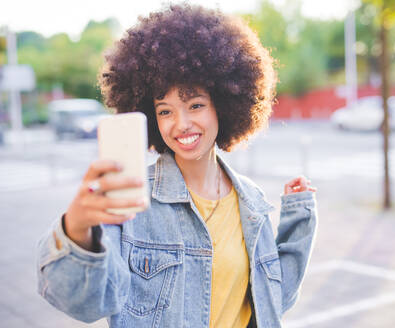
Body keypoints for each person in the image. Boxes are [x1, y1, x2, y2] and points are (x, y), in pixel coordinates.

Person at [36, 3, 318, 327]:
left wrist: (299, 218)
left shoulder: (251, 203)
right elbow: (87, 304)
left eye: (195, 105)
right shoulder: (133, 202)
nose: (181, 124)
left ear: (223, 106)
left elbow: (274, 301)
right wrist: (77, 227)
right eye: (165, 111)